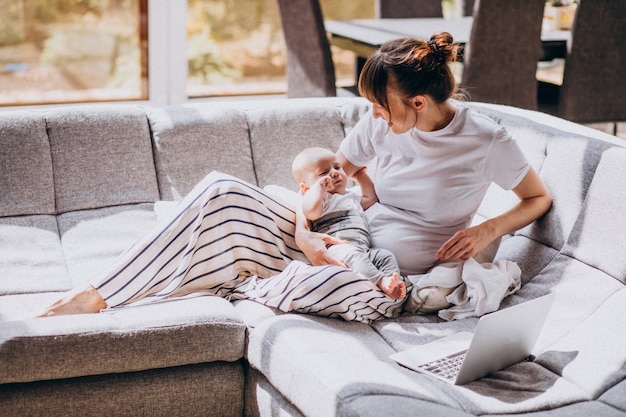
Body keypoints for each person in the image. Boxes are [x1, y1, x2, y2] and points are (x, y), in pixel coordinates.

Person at [38, 32, 552, 323]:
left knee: (326, 279)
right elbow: (333, 180)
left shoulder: (485, 139)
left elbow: (536, 198)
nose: (371, 116)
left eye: (380, 106)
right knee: (221, 191)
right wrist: (308, 234)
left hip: (375, 273)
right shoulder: (383, 126)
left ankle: (242, 280)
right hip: (326, 239)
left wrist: (488, 230)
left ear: (419, 102)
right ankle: (95, 295)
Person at [292, 147, 405, 300]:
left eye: (337, 167)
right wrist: (317, 190)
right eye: (323, 173)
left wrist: (360, 175)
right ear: (306, 187)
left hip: (364, 250)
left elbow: (370, 198)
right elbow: (310, 212)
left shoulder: (350, 197)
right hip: (339, 250)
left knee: (385, 256)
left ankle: (394, 286)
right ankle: (381, 281)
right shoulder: (321, 199)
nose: (334, 173)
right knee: (354, 256)